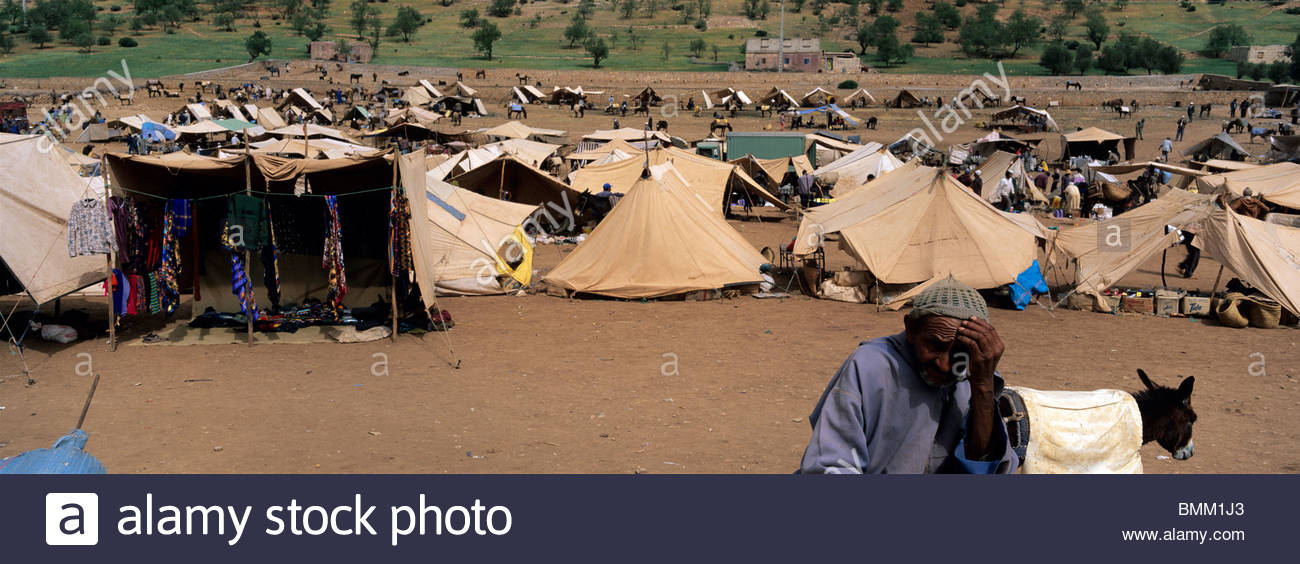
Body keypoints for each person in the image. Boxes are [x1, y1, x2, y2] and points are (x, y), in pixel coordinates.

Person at [797, 276, 1019, 474]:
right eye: (935, 345)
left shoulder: (976, 374)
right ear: (911, 329)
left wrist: (983, 386)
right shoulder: (871, 366)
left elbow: (984, 467)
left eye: (959, 352)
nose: (944, 365)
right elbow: (832, 464)